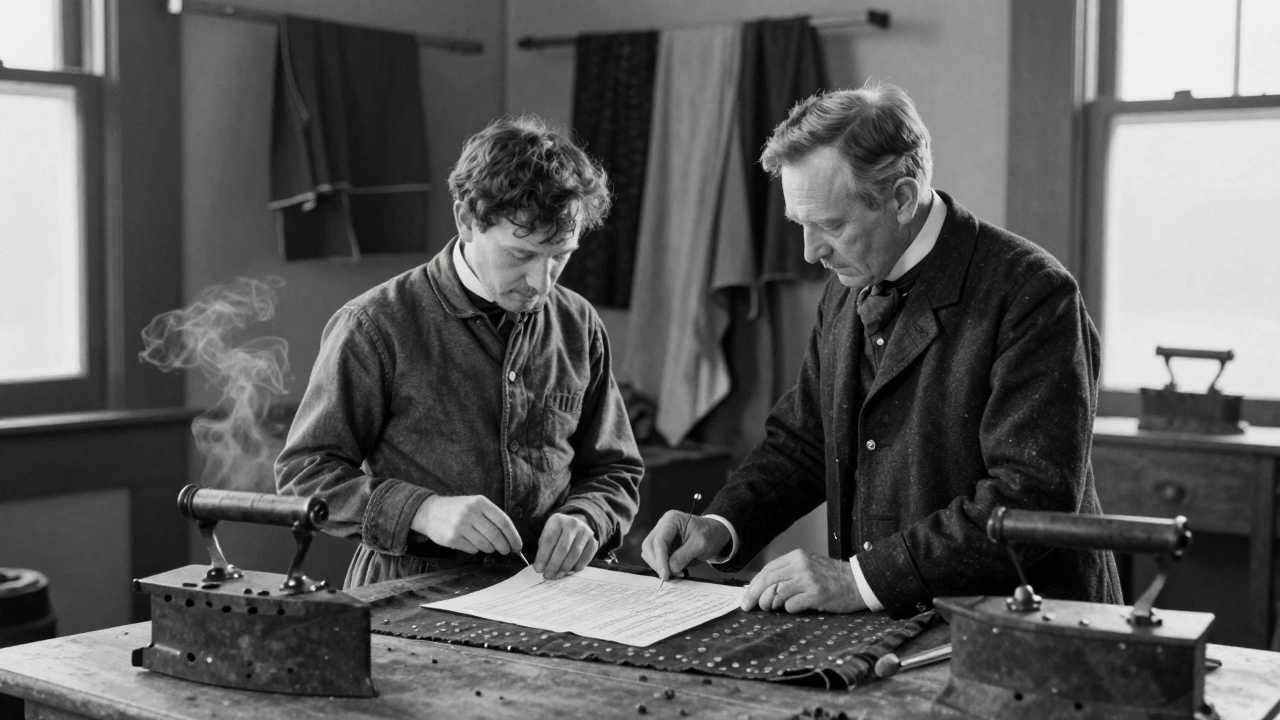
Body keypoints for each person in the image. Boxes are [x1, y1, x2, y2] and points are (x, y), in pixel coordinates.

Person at [641, 82, 1122, 618]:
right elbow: (803, 442)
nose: (810, 251)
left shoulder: (1034, 292)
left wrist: (859, 580)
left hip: (1027, 634)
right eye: (801, 225)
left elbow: (1028, 497)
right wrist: (720, 525)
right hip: (892, 628)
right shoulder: (847, 285)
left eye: (830, 224)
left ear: (901, 198)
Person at [277, 116, 643, 588]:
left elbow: (615, 468)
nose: (542, 281)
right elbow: (304, 475)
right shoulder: (374, 326)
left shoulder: (578, 323)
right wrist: (422, 511)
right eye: (521, 255)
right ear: (467, 220)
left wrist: (589, 517)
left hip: (548, 593)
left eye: (561, 255)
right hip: (408, 594)